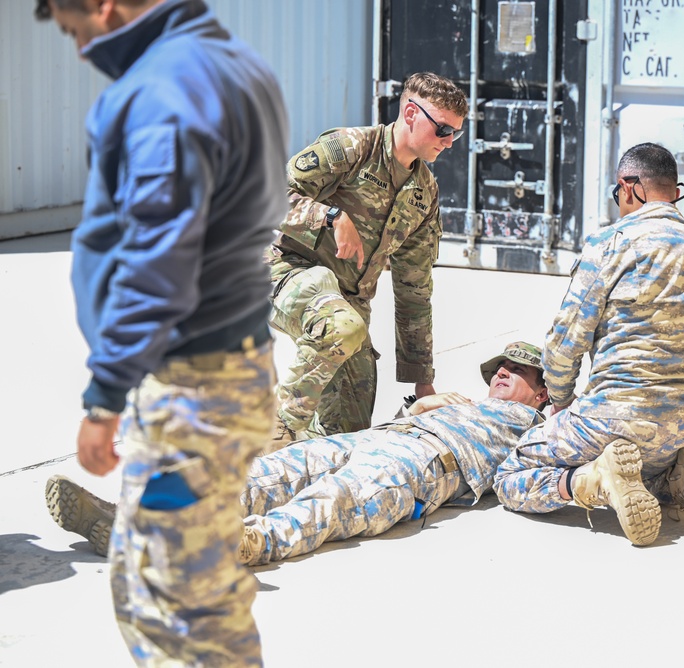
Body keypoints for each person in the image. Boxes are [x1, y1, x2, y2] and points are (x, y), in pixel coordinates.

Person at [35, 0, 288, 665]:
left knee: (170, 608)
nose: (80, 49)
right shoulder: (236, 66)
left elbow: (159, 258)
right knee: (183, 589)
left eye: (76, 31)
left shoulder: (164, 88)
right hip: (228, 371)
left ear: (102, 7)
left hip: (192, 390)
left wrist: (105, 395)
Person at [47, 342, 549, 566]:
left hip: (425, 462)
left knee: (331, 499)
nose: (502, 373)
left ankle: (245, 544)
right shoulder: (458, 401)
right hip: (379, 436)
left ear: (544, 392)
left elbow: (553, 465)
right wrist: (423, 402)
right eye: (498, 367)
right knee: (267, 472)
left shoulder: (536, 428)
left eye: (517, 370)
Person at [493, 143, 684, 546]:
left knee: (510, 475)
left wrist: (562, 400)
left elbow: (566, 341)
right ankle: (677, 475)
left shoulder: (611, 244)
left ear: (629, 187)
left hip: (614, 416)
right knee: (645, 470)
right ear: (674, 192)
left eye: (616, 193)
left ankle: (592, 481)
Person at [267, 72, 469, 445]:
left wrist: (423, 383)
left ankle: (288, 461)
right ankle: (277, 425)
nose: (449, 142)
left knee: (346, 433)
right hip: (287, 271)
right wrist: (329, 217)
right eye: (442, 129)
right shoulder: (351, 148)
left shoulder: (423, 193)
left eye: (456, 132)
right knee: (341, 326)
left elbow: (414, 289)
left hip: (348, 304)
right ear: (410, 114)